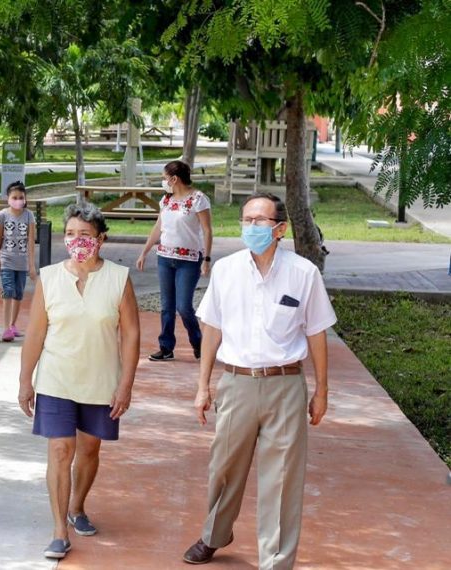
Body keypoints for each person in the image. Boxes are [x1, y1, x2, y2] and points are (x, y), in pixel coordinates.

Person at [182, 193, 336, 569]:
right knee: (224, 468)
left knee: (282, 479)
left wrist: (321, 390)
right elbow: (212, 329)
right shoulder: (226, 270)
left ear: (279, 229)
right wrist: (203, 386)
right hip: (236, 383)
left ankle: (276, 561)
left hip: (285, 386)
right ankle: (215, 534)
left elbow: (316, 333)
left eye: (260, 221)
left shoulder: (303, 273)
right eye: (246, 220)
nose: (251, 227)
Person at [17, 202, 140, 560]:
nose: (76, 241)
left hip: (101, 381)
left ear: (100, 239)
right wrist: (26, 381)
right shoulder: (50, 277)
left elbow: (130, 335)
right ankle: (58, 530)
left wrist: (126, 384)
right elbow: (35, 333)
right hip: (57, 378)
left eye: (84, 235)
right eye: (70, 234)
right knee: (59, 450)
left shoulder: (119, 278)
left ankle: (77, 506)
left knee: (89, 449)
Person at [136, 160, 212, 362]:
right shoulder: (166, 201)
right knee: (166, 306)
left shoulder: (198, 199)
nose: (164, 182)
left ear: (174, 179)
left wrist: (207, 259)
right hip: (165, 258)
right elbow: (158, 227)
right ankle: (166, 347)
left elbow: (207, 230)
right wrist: (144, 252)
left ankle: (198, 343)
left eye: (164, 178)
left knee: (184, 306)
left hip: (189, 260)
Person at [0, 182, 37, 342]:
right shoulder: (2, 215)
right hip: (6, 260)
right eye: (14, 197)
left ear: (25, 199)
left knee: (18, 294)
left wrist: (31, 266)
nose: (18, 200)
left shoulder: (29, 215)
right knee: (8, 291)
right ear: (8, 198)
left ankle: (13, 325)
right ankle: (5, 328)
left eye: (21, 198)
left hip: (22, 263)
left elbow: (31, 241)